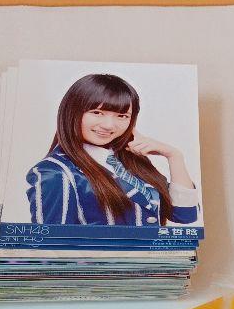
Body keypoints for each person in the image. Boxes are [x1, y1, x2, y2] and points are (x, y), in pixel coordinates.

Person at [25, 73, 199, 227]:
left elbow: (185, 215)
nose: (109, 125)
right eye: (97, 112)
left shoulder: (128, 160)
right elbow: (53, 244)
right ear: (72, 112)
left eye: (122, 116)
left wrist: (174, 155)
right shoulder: (56, 172)